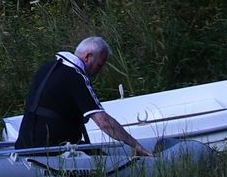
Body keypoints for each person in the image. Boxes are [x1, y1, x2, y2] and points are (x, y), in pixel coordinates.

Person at [17, 36, 152, 156]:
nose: (99, 71)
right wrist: (135, 145)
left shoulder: (47, 67)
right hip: (52, 150)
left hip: (24, 145)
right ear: (88, 56)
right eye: (100, 65)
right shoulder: (77, 77)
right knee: (102, 159)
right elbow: (104, 123)